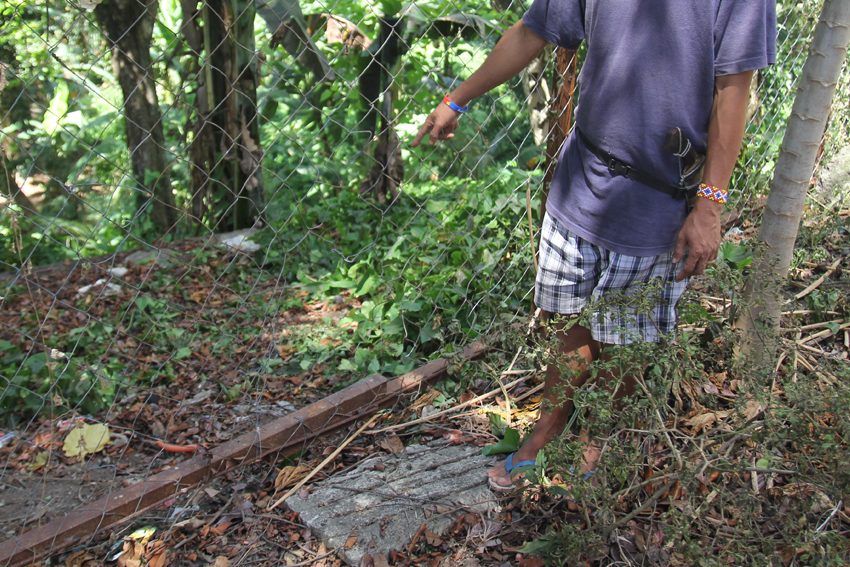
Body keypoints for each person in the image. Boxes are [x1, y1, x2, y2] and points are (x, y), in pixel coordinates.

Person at [412, 0, 776, 490]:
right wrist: (456, 99)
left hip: (660, 199)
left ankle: (598, 437)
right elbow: (533, 30)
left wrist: (709, 206)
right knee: (574, 320)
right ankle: (546, 431)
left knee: (626, 338)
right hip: (583, 179)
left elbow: (733, 89)